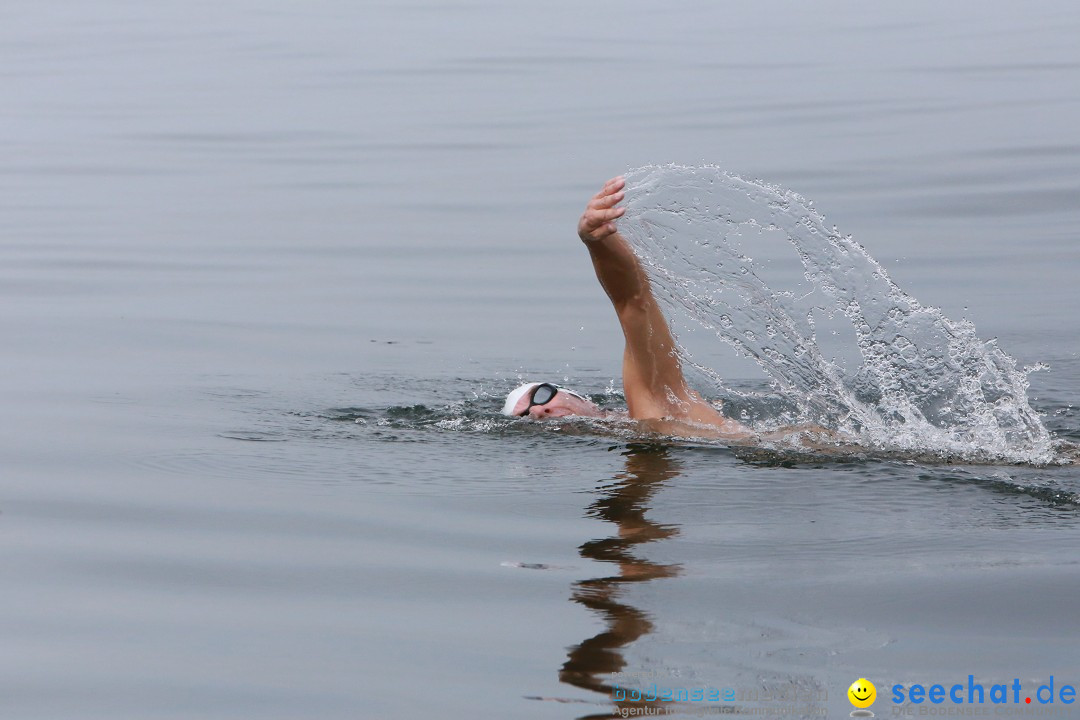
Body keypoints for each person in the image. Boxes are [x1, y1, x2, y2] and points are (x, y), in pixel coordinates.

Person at [503, 176, 754, 441]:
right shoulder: (637, 427)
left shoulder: (651, 399)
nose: (540, 411)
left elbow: (633, 301)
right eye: (526, 417)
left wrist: (597, 242)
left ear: (579, 398)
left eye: (540, 395)